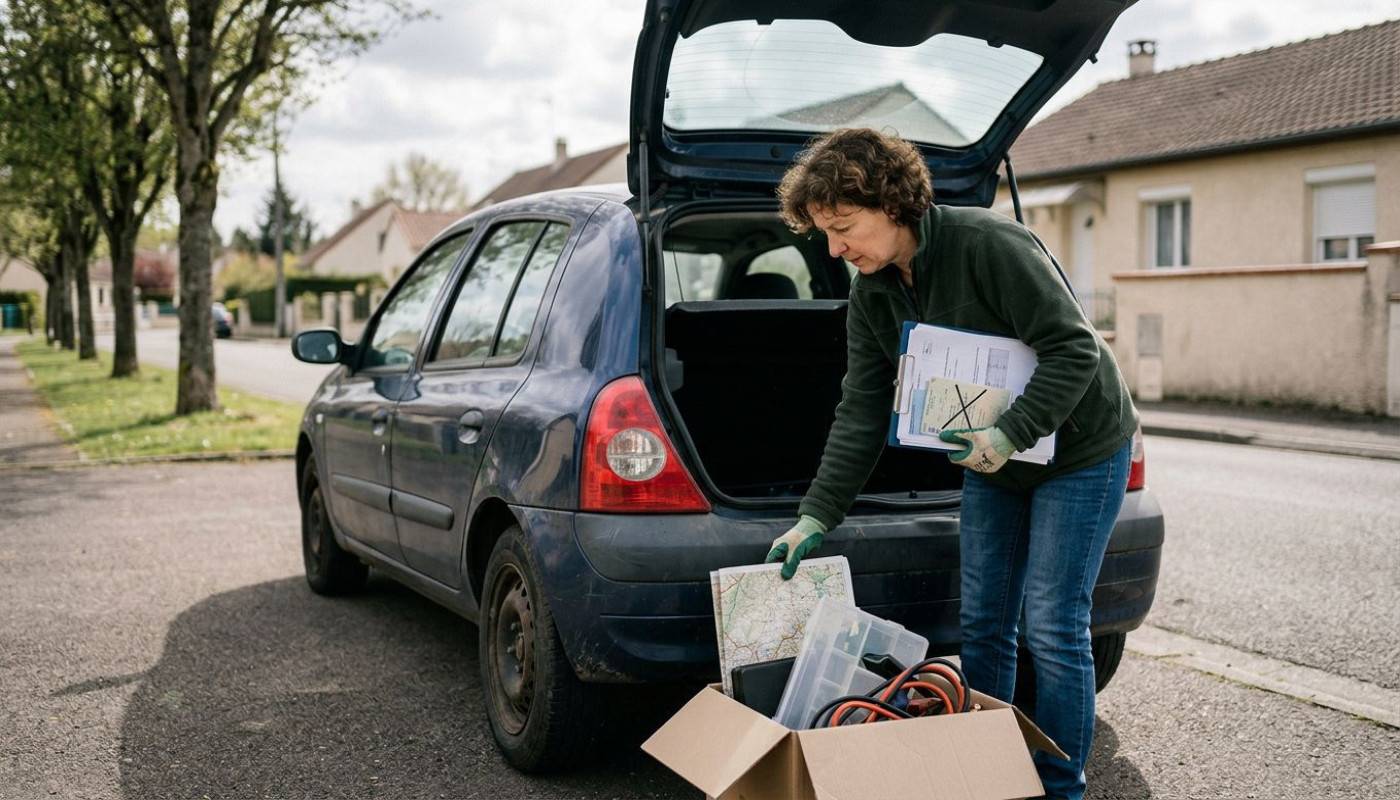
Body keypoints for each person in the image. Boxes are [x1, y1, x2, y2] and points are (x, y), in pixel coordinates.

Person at [763, 127, 1139, 800]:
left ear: (893, 204)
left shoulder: (990, 246)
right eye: (825, 232)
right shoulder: (872, 293)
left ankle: (1059, 786)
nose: (835, 248)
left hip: (1079, 449)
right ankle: (990, 774)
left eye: (844, 227)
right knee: (984, 624)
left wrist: (1012, 431)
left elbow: (1075, 351)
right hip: (995, 462)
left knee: (1052, 625)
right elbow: (861, 407)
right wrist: (815, 515)